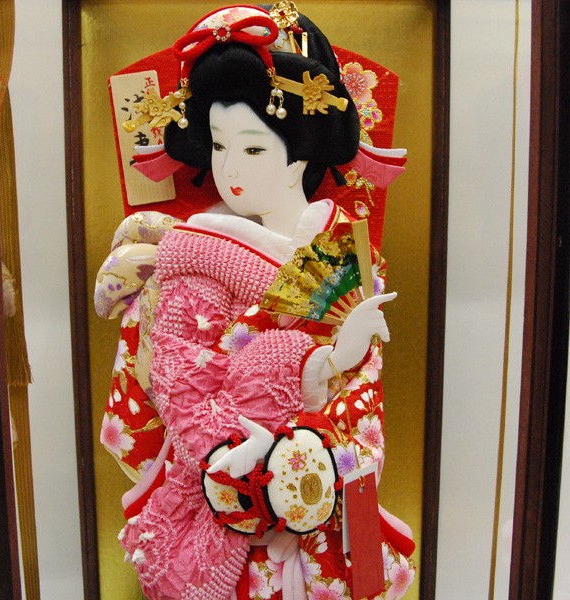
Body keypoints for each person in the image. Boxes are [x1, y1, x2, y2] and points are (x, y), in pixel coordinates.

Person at [95, 5, 415, 599]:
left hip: (315, 474)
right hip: (224, 469)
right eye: (219, 146)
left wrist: (320, 427)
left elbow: (362, 386)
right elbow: (178, 377)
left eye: (253, 149)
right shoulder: (195, 251)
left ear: (301, 150)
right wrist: (237, 447)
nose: (229, 169)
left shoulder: (344, 248)